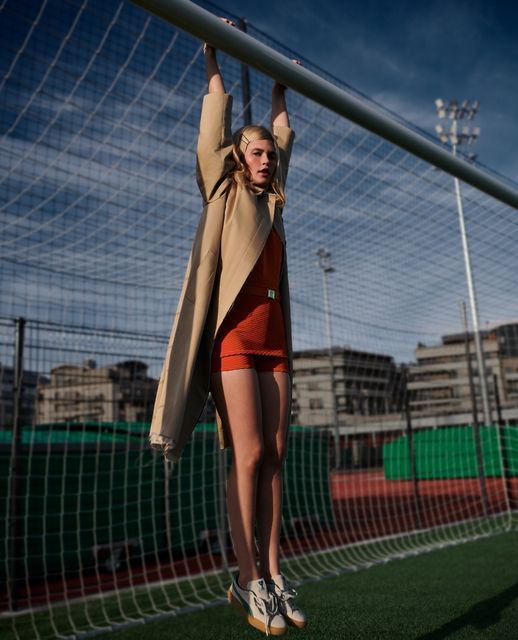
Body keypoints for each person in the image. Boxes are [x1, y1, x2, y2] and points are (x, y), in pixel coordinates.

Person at [149, 20, 306, 636]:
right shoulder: (223, 189)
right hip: (233, 342)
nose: (266, 159)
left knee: (274, 455)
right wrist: (215, 55)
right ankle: (247, 580)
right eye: (256, 152)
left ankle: (271, 572)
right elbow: (214, 132)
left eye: (270, 153)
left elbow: (284, 133)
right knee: (245, 456)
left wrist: (278, 85)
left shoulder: (274, 196)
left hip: (274, 343)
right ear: (238, 159)